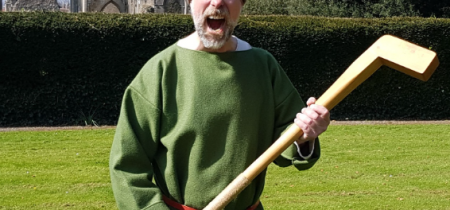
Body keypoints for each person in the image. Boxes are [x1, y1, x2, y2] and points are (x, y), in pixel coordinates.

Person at [109, 0, 330, 209]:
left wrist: (305, 137)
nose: (217, 2)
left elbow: (288, 138)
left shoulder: (263, 67)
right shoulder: (160, 71)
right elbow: (127, 166)